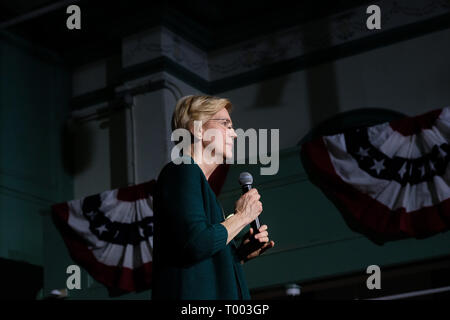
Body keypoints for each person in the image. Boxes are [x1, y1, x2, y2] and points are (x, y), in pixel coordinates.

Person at [151, 95, 275, 300]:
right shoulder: (182, 169)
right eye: (225, 124)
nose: (234, 134)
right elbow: (196, 243)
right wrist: (242, 216)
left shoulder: (198, 184)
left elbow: (198, 256)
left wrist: (238, 255)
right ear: (198, 129)